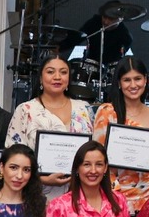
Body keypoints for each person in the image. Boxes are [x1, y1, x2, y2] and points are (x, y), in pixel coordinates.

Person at [7, 54, 94, 198]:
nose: (57, 77)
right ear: (41, 78)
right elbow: (12, 158)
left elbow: (94, 151)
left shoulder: (84, 109)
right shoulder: (26, 110)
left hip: (80, 194)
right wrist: (41, 179)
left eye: (63, 72)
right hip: (37, 196)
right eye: (50, 71)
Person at [94, 56, 149, 214]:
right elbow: (97, 159)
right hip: (116, 195)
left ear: (145, 80)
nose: (133, 85)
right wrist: (116, 196)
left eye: (138, 79)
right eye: (127, 80)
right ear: (119, 84)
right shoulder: (107, 112)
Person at [74, 0, 135, 67]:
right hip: (89, 66)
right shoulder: (95, 21)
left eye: (111, 19)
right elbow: (77, 37)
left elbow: (118, 60)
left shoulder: (125, 37)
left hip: (109, 71)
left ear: (120, 19)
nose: (106, 22)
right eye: (104, 17)